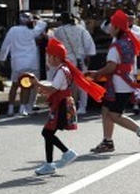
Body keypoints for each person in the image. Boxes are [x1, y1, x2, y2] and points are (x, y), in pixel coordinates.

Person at [29, 38, 105, 176]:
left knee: (47, 133)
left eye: (49, 56)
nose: (48, 59)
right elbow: (55, 89)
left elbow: (53, 89)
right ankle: (50, 164)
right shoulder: (64, 69)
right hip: (62, 103)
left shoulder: (61, 71)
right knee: (48, 133)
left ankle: (66, 153)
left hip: (61, 105)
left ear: (55, 57)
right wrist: (42, 89)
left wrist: (37, 84)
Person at [88, 10, 140, 153]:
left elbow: (111, 67)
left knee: (114, 115)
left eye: (111, 25)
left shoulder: (116, 46)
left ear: (117, 28)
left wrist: (97, 73)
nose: (109, 28)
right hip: (123, 82)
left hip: (119, 85)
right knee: (105, 110)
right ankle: (107, 141)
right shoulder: (128, 41)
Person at [0, 12, 48, 116]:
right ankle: (22, 109)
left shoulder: (13, 30)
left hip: (17, 62)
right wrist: (35, 21)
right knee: (26, 85)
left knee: (15, 85)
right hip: (31, 62)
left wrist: (2, 58)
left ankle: (10, 109)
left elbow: (6, 45)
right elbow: (43, 24)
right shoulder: (32, 31)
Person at [53, 13, 96, 115]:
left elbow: (55, 45)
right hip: (80, 59)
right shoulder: (81, 30)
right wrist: (88, 57)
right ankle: (82, 107)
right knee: (82, 83)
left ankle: (68, 105)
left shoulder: (59, 31)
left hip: (66, 59)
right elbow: (89, 44)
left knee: (66, 84)